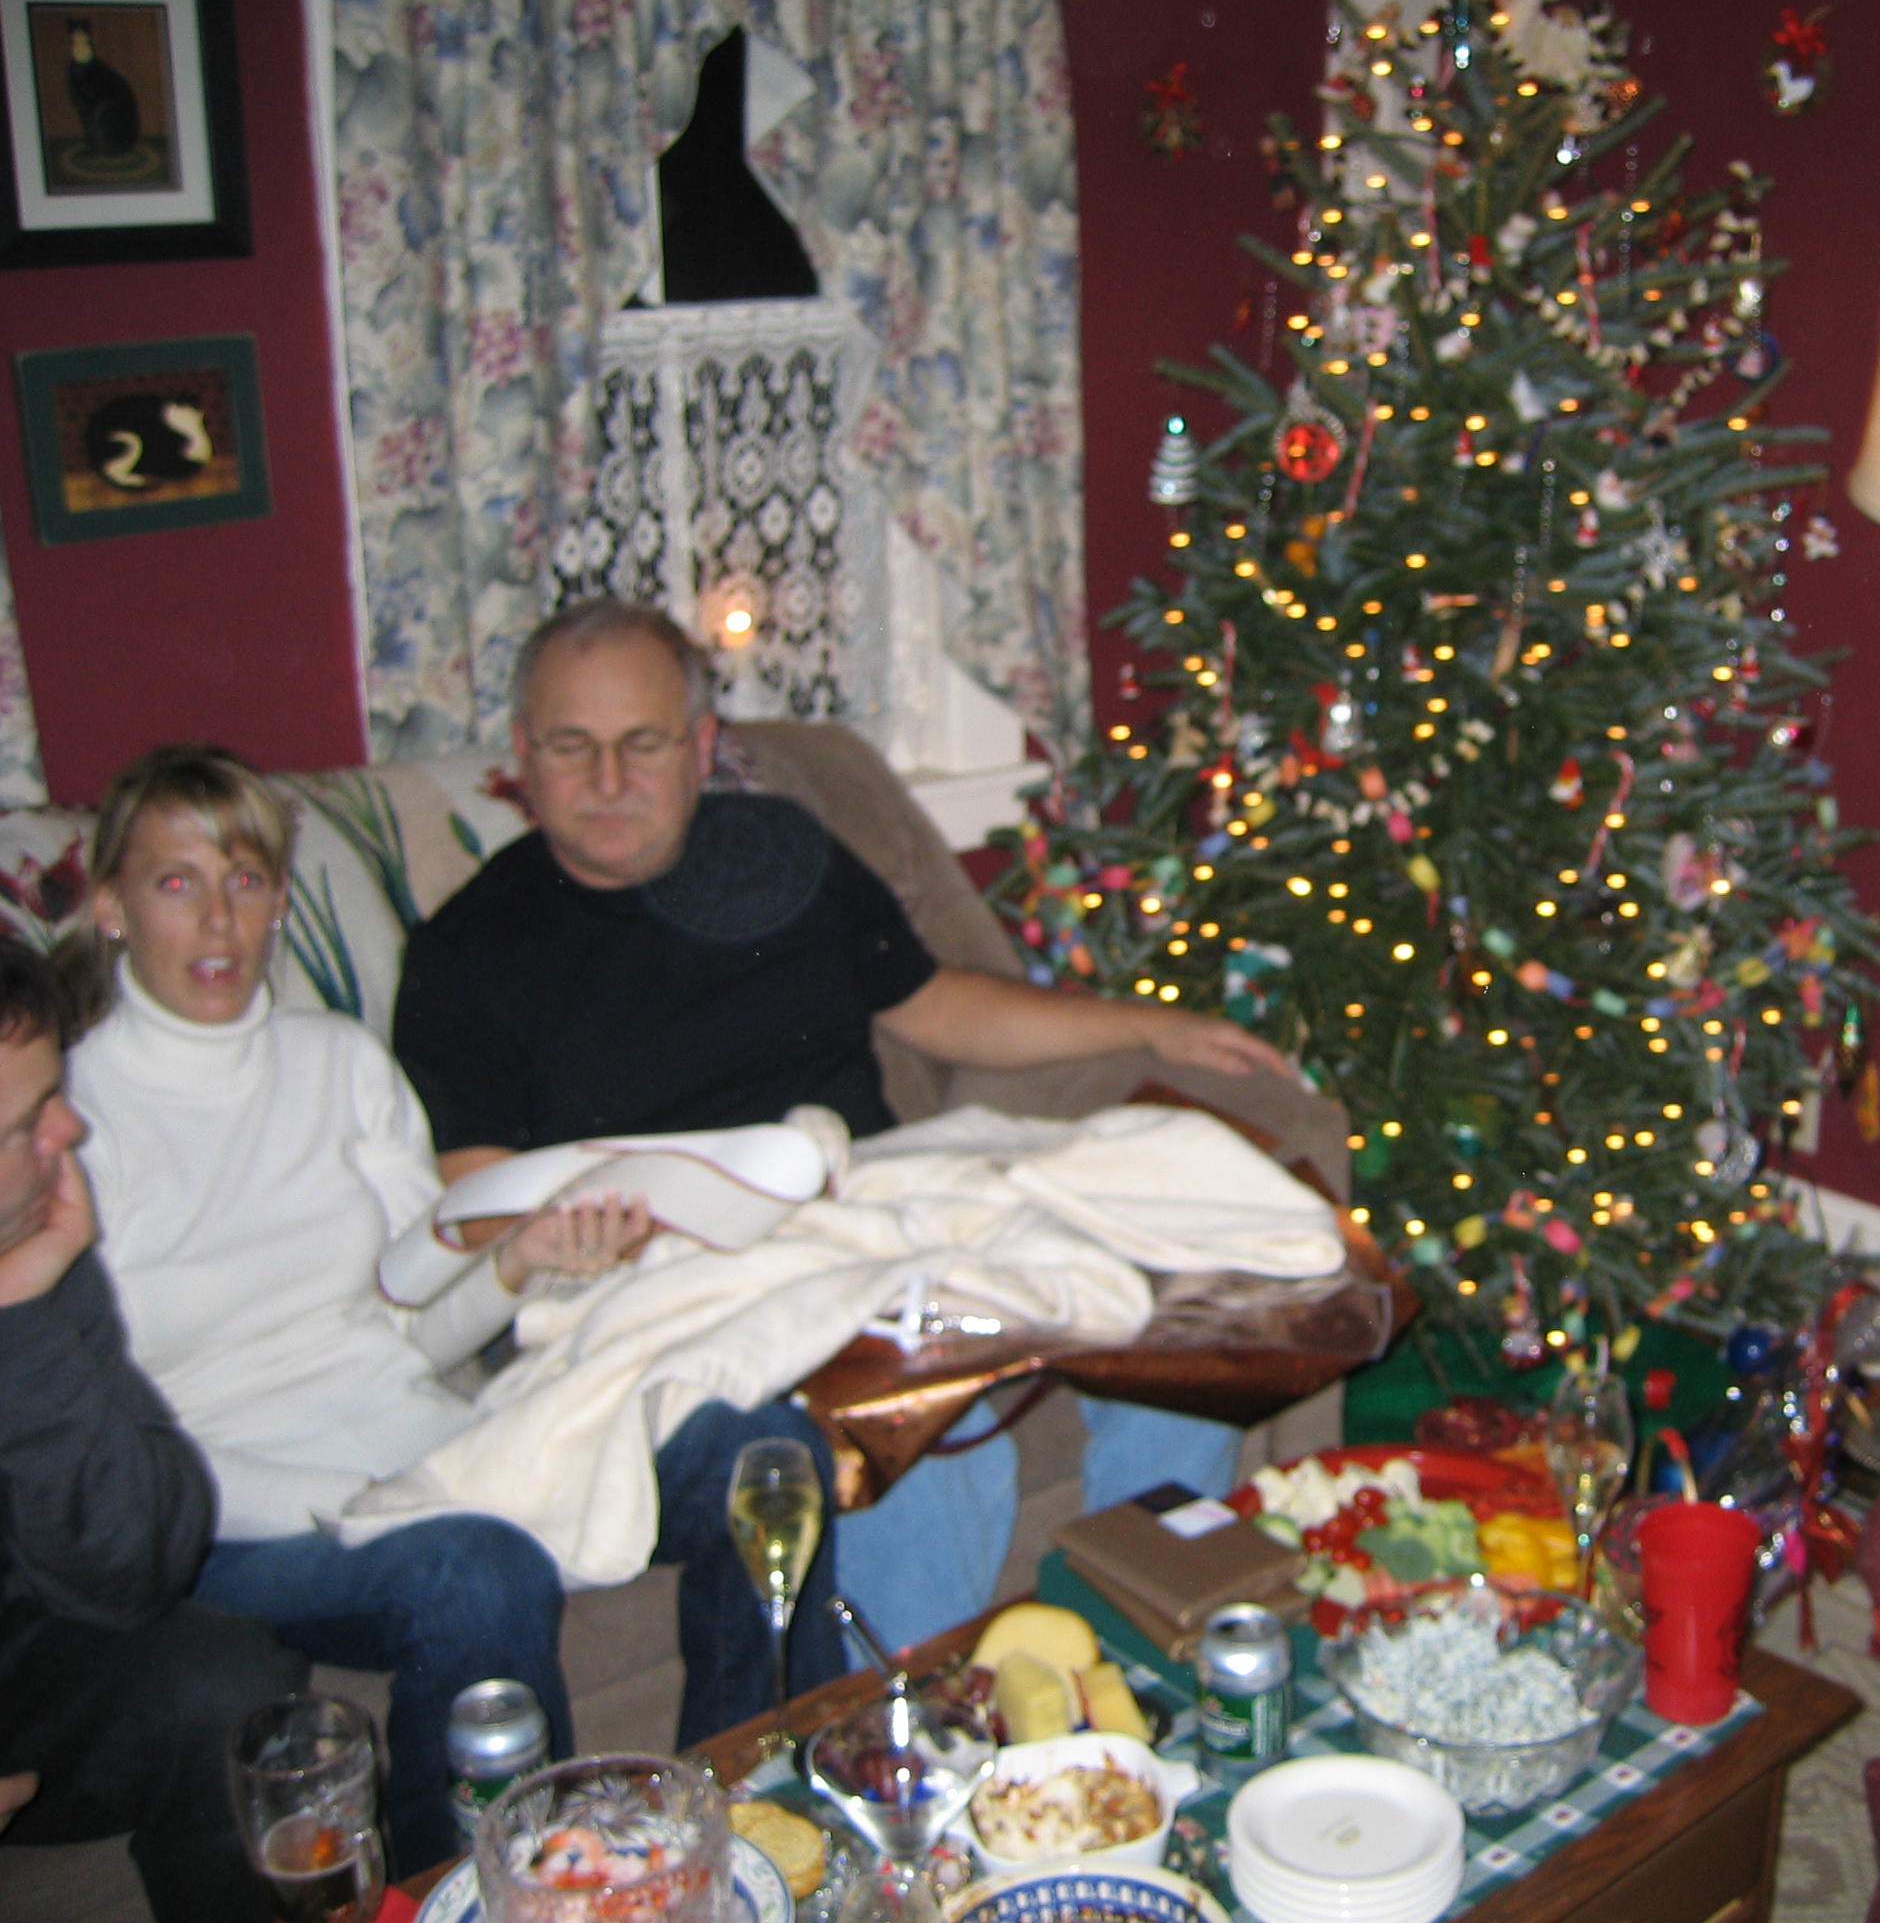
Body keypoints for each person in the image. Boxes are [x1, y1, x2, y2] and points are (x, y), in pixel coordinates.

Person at [392, 600, 1299, 1647]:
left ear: (700, 746)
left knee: (1178, 1316)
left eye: (643, 743)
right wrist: (560, 1241)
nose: (609, 780)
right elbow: (479, 1204)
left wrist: (1152, 1025)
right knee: (932, 1446)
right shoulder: (469, 951)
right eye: (571, 746)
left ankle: (1155, 1647)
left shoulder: (781, 852)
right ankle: (923, 1721)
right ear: (521, 756)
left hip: (881, 1205)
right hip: (692, 1275)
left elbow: (935, 1004)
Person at [63, 745, 841, 1877]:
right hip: (233, 1513)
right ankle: (482, 1895)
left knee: (761, 1449)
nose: (220, 921)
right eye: (176, 883)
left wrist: (516, 1264)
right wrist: (375, 1502)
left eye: (247, 880)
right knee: (475, 1569)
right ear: (110, 906)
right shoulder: (64, 1117)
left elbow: (409, 1328)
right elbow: (96, 1421)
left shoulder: (339, 1065)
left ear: (279, 900)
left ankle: (746, 1834)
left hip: (427, 1455)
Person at [0, 933, 308, 1921]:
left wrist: (23, 1324)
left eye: (53, 1096)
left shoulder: (32, 1249)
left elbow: (143, 1566)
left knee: (234, 1683)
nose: (69, 1130)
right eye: (24, 1123)